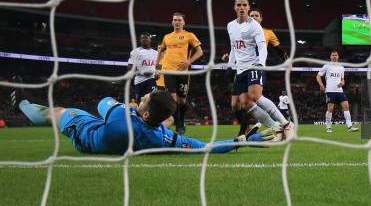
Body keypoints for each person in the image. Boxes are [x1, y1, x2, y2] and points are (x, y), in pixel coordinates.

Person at [17, 90, 273, 155]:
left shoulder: (122, 117)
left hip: (86, 133)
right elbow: (204, 147)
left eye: (144, 99)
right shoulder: (161, 137)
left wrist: (127, 106)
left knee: (55, 112)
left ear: (147, 113)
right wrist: (241, 141)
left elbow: (102, 102)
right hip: (120, 136)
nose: (140, 98)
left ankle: (23, 105)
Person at [227, 0, 294, 140]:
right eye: (239, 5)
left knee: (255, 96)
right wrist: (230, 65)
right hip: (240, 69)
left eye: (244, 5)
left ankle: (286, 123)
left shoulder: (256, 26)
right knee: (245, 103)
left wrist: (260, 64)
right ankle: (275, 127)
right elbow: (234, 47)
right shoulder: (230, 26)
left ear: (248, 7)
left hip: (254, 65)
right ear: (234, 7)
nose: (242, 7)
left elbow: (262, 47)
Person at [155, 13, 203, 135]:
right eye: (175, 20)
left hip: (182, 73)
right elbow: (160, 51)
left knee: (182, 102)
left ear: (183, 22)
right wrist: (157, 67)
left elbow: (200, 52)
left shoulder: (189, 36)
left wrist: (189, 61)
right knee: (173, 99)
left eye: (179, 20)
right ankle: (180, 126)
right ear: (172, 22)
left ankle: (181, 120)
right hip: (168, 71)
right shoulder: (167, 37)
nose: (177, 22)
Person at [316, 50, 359, 133]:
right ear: (330, 57)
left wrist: (342, 83)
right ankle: (328, 127)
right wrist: (321, 85)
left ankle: (349, 127)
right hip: (330, 91)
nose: (334, 56)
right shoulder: (326, 66)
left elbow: (343, 80)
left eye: (336, 55)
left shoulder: (341, 68)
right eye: (333, 55)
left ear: (338, 57)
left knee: (346, 106)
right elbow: (318, 76)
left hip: (339, 91)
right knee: (330, 108)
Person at [127, 32, 158, 103]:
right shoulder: (135, 52)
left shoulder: (156, 53)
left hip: (152, 80)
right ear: (140, 40)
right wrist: (142, 73)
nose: (144, 39)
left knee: (150, 100)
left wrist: (157, 73)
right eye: (142, 38)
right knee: (140, 102)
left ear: (150, 39)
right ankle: (140, 114)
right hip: (139, 81)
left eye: (146, 37)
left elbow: (158, 66)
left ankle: (149, 114)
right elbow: (129, 67)